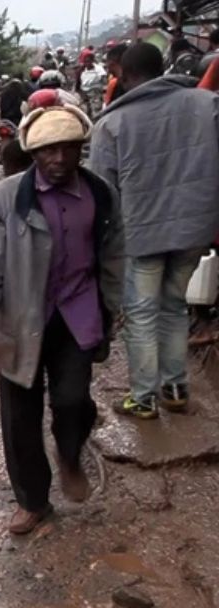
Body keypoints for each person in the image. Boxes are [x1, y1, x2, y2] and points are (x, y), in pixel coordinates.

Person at [0, 105, 123, 535]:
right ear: (33, 153)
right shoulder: (5, 199)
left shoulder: (101, 194)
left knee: (73, 401)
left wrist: (113, 308)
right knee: (20, 416)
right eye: (48, 150)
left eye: (68, 149)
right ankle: (32, 500)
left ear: (81, 150)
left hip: (77, 313)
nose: (58, 159)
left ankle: (70, 454)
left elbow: (113, 255)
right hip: (19, 320)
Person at [90, 42, 219, 419]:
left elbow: (102, 193)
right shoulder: (206, 105)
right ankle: (175, 388)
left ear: (125, 76)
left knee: (142, 314)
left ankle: (144, 398)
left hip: (142, 236)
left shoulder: (112, 124)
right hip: (196, 230)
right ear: (161, 67)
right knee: (175, 306)